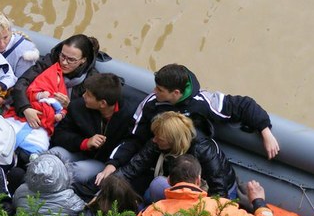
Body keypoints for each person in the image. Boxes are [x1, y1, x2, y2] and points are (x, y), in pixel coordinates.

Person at [109, 63, 280, 168]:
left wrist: (265, 131)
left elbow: (243, 105)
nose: (154, 92)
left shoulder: (202, 102)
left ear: (176, 93)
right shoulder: (151, 104)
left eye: (160, 90)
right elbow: (134, 138)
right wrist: (113, 163)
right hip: (160, 156)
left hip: (192, 160)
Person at [133, 155, 275, 216]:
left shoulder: (151, 212)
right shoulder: (220, 209)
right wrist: (259, 201)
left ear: (169, 180)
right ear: (198, 180)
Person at [96, 111, 237, 201]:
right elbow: (133, 168)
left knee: (157, 186)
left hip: (212, 190)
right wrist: (107, 186)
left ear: (173, 141)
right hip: (179, 183)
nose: (154, 140)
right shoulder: (158, 142)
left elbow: (219, 192)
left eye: (160, 138)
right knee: (147, 195)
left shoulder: (204, 151)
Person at [49, 73, 136, 186]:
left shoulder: (128, 116)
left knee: (78, 171)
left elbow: (130, 144)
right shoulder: (78, 106)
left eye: (88, 95)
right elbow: (59, 134)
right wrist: (84, 142)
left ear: (102, 103)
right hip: (77, 151)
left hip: (102, 162)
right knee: (52, 154)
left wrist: (113, 163)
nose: (83, 96)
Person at [11, 34, 101, 130]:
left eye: (71, 60)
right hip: (30, 110)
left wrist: (70, 106)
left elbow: (88, 117)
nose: (64, 62)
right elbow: (23, 81)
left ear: (83, 60)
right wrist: (25, 108)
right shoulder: (50, 60)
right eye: (63, 56)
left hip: (58, 126)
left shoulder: (92, 80)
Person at [13, 153, 86, 216]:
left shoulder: (21, 191)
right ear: (63, 173)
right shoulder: (69, 198)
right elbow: (83, 211)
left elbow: (15, 205)